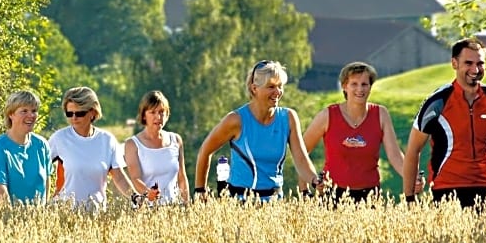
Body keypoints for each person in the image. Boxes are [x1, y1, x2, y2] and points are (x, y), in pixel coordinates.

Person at [403, 38, 486, 208]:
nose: (475, 69)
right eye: (469, 63)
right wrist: (409, 199)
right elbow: (413, 150)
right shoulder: (438, 101)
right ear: (454, 63)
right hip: (445, 191)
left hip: (481, 189)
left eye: (480, 63)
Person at [194, 60, 322, 202]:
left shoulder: (289, 117)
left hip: (274, 205)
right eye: (271, 87)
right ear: (254, 88)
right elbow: (205, 151)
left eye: (280, 86)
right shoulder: (236, 120)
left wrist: (315, 180)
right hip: (239, 204)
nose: (278, 92)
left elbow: (301, 159)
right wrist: (200, 190)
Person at [303, 61, 420, 204]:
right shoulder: (327, 115)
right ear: (344, 86)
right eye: (354, 84)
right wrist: (306, 187)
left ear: (370, 87)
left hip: (370, 195)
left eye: (364, 84)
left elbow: (395, 156)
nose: (360, 89)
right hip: (333, 194)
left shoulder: (381, 114)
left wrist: (412, 178)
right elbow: (301, 153)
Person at [48, 86, 145, 210]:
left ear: (93, 112)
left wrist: (134, 196)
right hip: (65, 214)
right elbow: (40, 171)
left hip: (97, 216)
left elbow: (119, 177)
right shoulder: (58, 138)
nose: (74, 118)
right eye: (69, 113)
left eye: (80, 113)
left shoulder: (107, 140)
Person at [0, 90, 52, 205]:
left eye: (34, 111)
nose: (30, 115)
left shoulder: (42, 145)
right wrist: (15, 221)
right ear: (11, 114)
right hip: (5, 219)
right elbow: (0, 192)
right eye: (24, 111)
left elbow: (47, 185)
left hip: (38, 220)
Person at [124, 90, 190, 206]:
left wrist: (186, 204)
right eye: (153, 112)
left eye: (161, 112)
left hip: (174, 209)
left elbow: (182, 177)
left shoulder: (176, 140)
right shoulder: (132, 144)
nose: (158, 117)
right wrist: (148, 193)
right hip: (147, 210)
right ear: (144, 115)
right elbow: (135, 178)